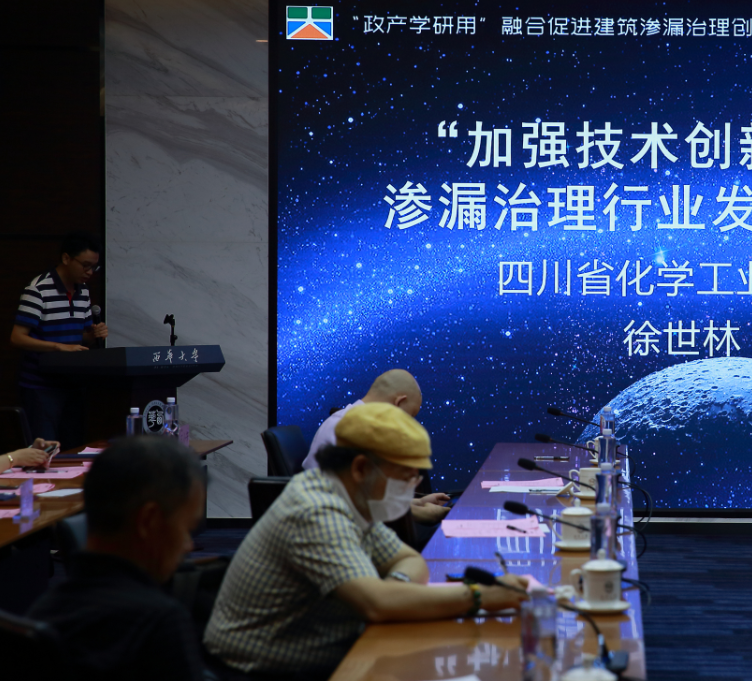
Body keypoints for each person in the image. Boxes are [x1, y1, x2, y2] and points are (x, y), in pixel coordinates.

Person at [205, 403, 528, 680]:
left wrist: (395, 590)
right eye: (405, 477)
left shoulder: (353, 498)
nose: (411, 489)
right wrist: (480, 595)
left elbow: (409, 561)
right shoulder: (315, 509)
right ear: (361, 468)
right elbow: (377, 605)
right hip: (261, 672)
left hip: (328, 649)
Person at [27, 435, 206, 681]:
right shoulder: (159, 623)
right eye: (186, 528)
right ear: (149, 521)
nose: (189, 545)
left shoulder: (40, 612)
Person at [301, 369, 451, 525]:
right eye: (410, 416)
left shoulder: (349, 422)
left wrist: (418, 503)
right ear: (398, 404)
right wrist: (419, 513)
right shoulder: (349, 430)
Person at [10, 232, 110, 448]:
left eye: (94, 267)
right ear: (66, 258)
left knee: (74, 447)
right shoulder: (38, 289)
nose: (89, 272)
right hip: (41, 387)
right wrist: (58, 347)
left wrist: (94, 335)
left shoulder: (83, 291)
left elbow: (80, 339)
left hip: (74, 384)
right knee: (45, 449)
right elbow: (17, 338)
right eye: (85, 265)